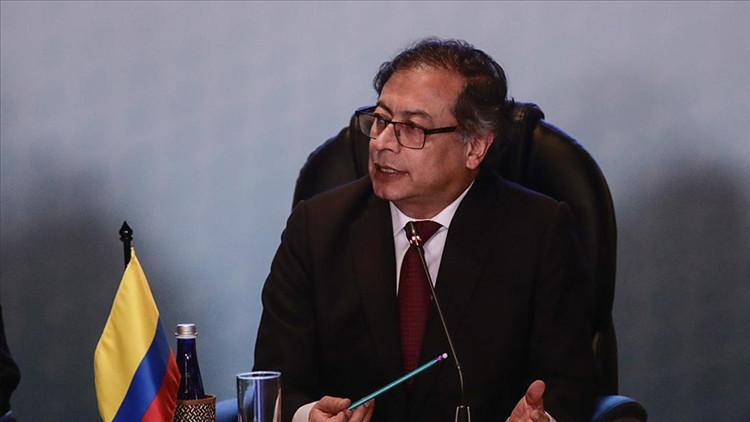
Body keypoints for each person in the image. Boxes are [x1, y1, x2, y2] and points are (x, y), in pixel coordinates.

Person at [254, 38, 597, 422]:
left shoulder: (537, 233)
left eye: (413, 128)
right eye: (381, 120)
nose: (382, 143)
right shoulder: (316, 228)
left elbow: (570, 384)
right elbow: (274, 381)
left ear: (475, 147)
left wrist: (543, 418)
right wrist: (307, 416)